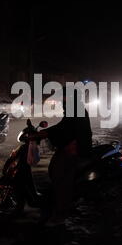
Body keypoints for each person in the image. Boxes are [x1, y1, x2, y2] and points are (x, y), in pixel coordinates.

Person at [29, 88, 93, 226]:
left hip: (76, 150)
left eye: (63, 98)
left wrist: (46, 134)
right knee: (54, 169)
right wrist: (46, 132)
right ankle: (58, 204)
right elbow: (63, 126)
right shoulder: (73, 109)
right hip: (71, 146)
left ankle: (61, 214)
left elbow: (66, 130)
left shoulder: (76, 110)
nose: (61, 102)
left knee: (60, 176)